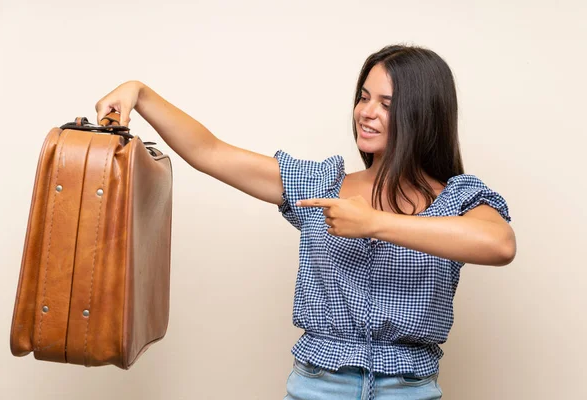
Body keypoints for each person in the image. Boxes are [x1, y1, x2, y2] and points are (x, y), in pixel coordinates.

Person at [95, 44, 516, 400]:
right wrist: (141, 93)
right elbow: (210, 152)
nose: (365, 113)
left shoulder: (459, 197)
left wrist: (373, 223)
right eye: (363, 97)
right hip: (317, 387)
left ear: (423, 115)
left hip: (409, 389)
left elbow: (499, 245)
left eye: (386, 104)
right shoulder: (322, 184)